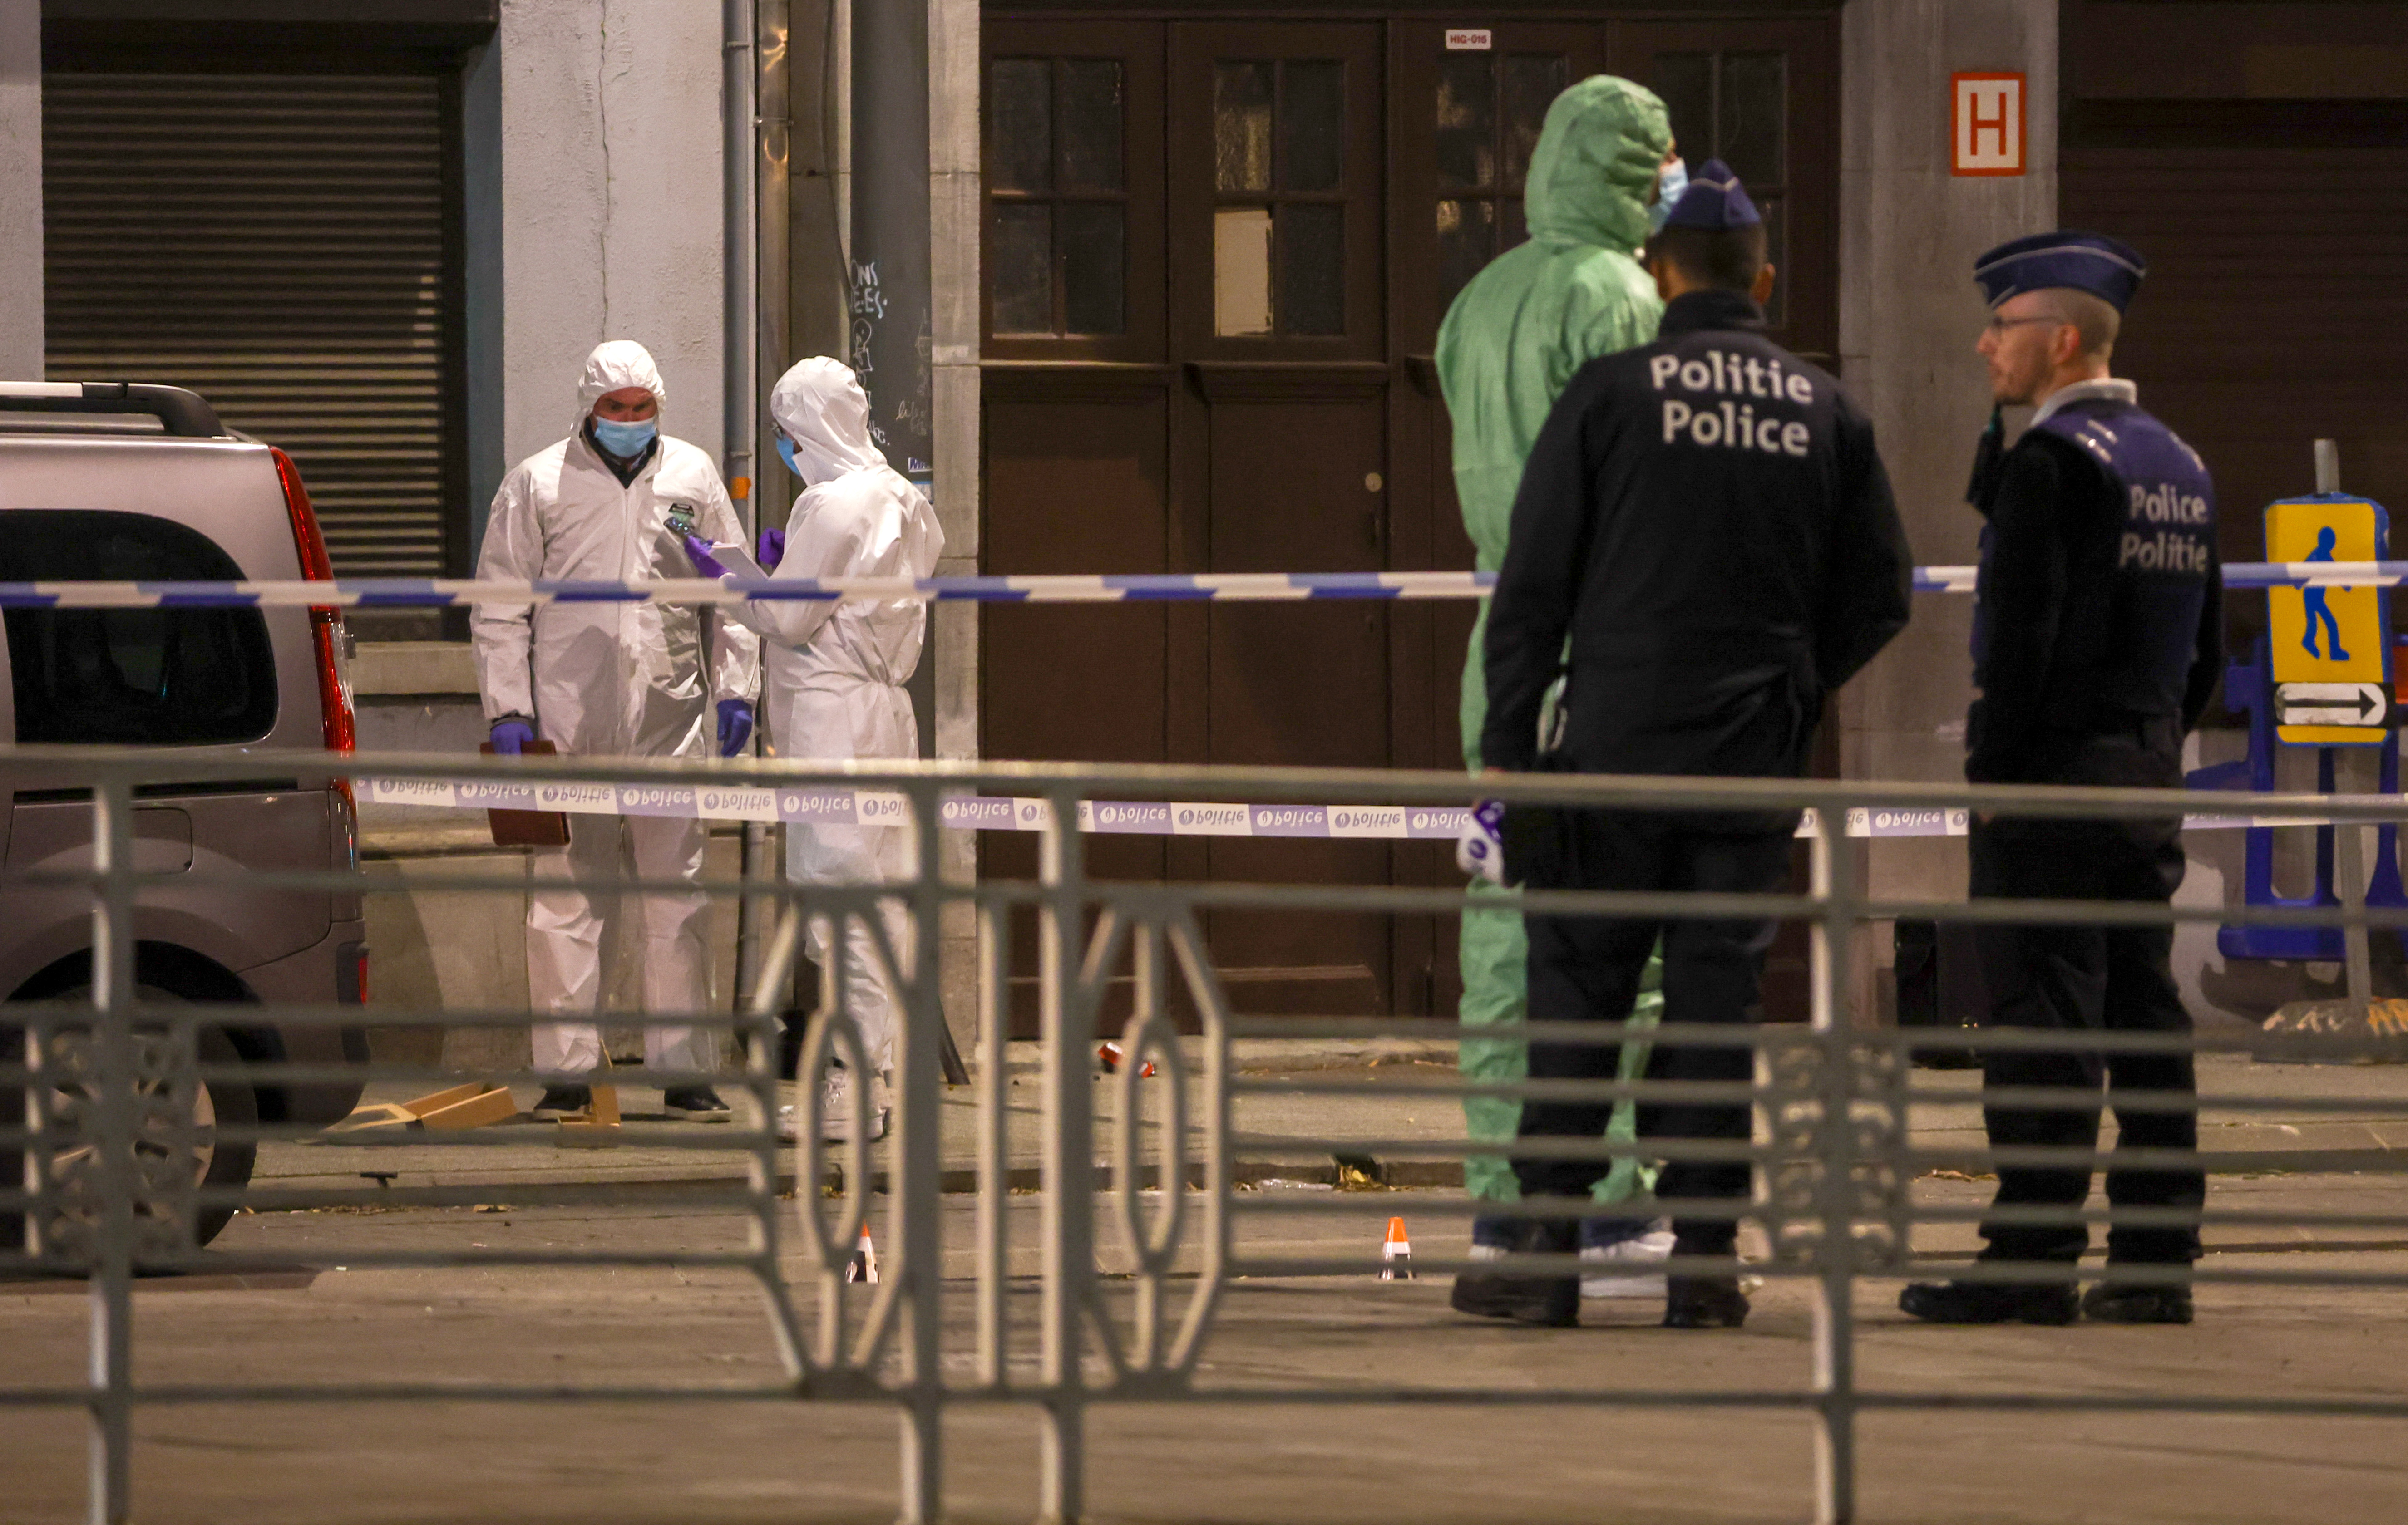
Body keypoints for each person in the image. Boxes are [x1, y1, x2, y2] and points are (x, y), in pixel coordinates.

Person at [1451, 162, 1911, 1329]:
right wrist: (1799, 686)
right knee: (1713, 1021)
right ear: (1764, 278)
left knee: (1576, 1006)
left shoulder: (1609, 397)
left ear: (1661, 277)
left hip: (1608, 762)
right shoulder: (1825, 410)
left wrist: (1507, 746)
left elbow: (1534, 585)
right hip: (1748, 775)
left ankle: (1546, 1256)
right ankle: (1704, 1263)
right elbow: (1883, 593)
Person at [1901, 231, 2219, 1328]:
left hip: (2047, 784)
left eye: (2004, 328)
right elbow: (2208, 651)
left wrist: (1996, 781)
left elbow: (2020, 647)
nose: (1985, 345)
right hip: (2142, 774)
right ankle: (2156, 1260)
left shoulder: (2054, 467)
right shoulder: (2177, 461)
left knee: (2042, 1022)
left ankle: (2031, 1259)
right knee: (2143, 1015)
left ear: (2064, 339)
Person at [1435, 74, 1681, 1288]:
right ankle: (1610, 1204)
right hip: (1608, 643)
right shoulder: (1620, 298)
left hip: (1501, 642)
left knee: (1501, 928)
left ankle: (1505, 1202)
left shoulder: (1481, 297)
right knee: (1614, 939)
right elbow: (1649, 478)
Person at [472, 340, 761, 1122]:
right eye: (616, 409)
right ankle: (567, 1074)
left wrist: (738, 692)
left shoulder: (695, 479)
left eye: (643, 409)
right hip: (568, 728)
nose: (631, 421)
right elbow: (500, 604)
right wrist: (509, 711)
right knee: (567, 900)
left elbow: (730, 595)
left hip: (670, 722)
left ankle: (686, 1072)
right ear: (589, 407)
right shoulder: (538, 483)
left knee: (680, 901)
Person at [679, 357, 945, 1142]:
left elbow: (788, 622)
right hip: (884, 717)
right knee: (880, 902)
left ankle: (854, 1093)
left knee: (842, 905)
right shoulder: (902, 494)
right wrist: (786, 567)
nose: (784, 448)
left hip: (836, 722)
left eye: (786, 434)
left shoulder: (831, 504)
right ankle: (873, 1084)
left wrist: (731, 575)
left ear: (807, 429)